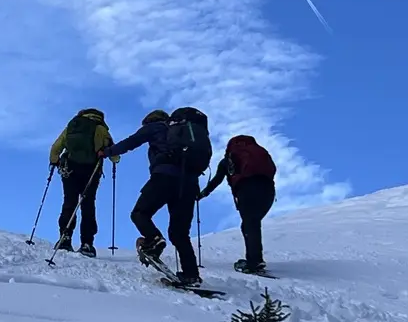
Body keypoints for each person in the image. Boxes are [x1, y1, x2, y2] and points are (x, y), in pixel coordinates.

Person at [98, 107, 212, 286]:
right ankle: (191, 275)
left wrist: (107, 152)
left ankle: (153, 240)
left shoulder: (156, 126)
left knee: (140, 213)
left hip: (164, 177)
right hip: (189, 183)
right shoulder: (186, 133)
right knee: (180, 233)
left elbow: (132, 141)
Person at [198, 135, 276, 274]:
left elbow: (217, 180)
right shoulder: (259, 153)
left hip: (247, 189)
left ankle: (254, 261)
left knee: (249, 224)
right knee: (252, 223)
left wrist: (202, 194)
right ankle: (254, 259)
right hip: (268, 190)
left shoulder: (228, 160)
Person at [49, 108, 119, 257]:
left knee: (69, 202)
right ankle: (87, 243)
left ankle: (65, 238)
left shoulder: (72, 126)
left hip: (70, 169)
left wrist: (54, 161)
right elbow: (114, 154)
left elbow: (56, 148)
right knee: (87, 205)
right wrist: (114, 159)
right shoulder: (100, 129)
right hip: (91, 171)